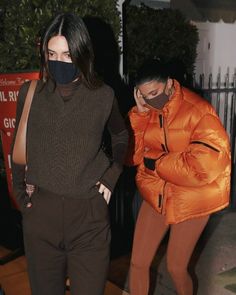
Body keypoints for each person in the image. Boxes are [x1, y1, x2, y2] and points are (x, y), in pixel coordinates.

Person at [11, 12, 128, 295]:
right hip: (41, 217)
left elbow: (121, 135)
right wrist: (20, 195)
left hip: (89, 218)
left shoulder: (103, 96)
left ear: (81, 53)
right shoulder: (30, 93)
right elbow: (18, 147)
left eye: (67, 55)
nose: (58, 62)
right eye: (52, 53)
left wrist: (112, 175)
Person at [126, 59, 231, 295]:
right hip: (157, 194)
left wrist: (157, 162)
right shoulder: (146, 112)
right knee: (137, 263)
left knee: (176, 267)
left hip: (192, 198)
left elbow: (203, 168)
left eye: (154, 93)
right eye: (144, 96)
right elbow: (131, 156)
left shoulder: (199, 112)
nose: (150, 100)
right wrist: (140, 115)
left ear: (170, 85)